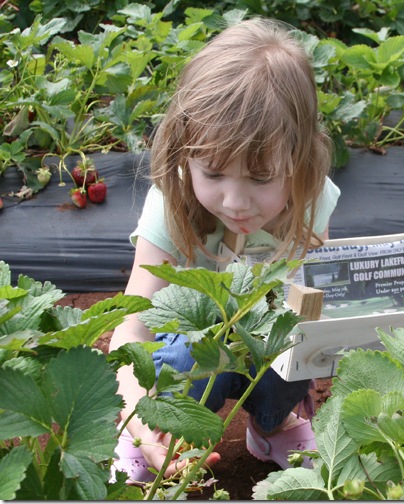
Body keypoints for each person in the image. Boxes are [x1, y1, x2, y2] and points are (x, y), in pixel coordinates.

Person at [109, 16, 341, 484]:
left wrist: (309, 365)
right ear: (183, 151)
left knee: (300, 336)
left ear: (299, 163)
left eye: (260, 178)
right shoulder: (171, 207)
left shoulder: (313, 202)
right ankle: (163, 432)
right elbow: (130, 327)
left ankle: (273, 424)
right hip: (184, 357)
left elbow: (312, 301)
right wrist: (137, 419)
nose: (235, 202)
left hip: (260, 345)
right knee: (184, 355)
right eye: (212, 173)